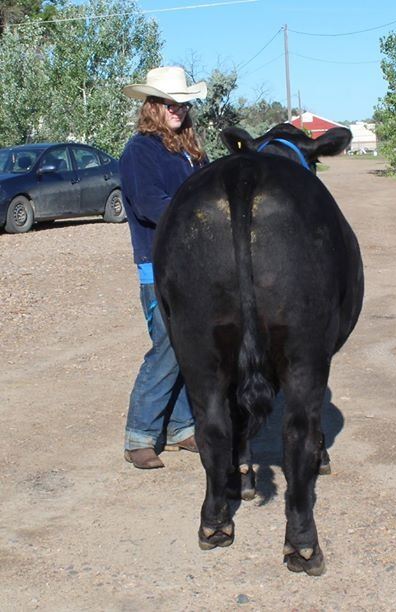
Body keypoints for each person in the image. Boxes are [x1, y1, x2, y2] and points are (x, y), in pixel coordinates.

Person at [120, 66, 208, 469]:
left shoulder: (191, 151)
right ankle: (139, 435)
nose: (178, 109)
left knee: (189, 347)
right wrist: (202, 215)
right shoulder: (140, 150)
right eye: (170, 103)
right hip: (159, 267)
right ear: (152, 105)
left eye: (183, 104)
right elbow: (148, 204)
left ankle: (180, 427)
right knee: (169, 347)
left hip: (195, 265)